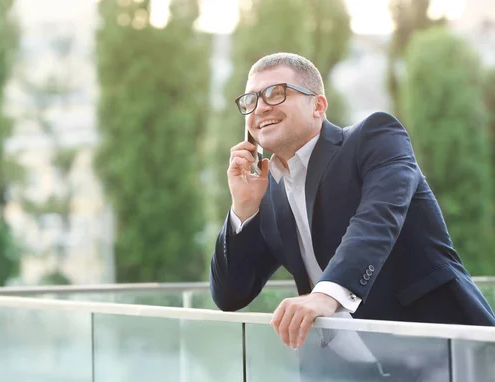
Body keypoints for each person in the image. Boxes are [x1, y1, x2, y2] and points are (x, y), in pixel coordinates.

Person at [209, 52, 495, 379]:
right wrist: (243, 208)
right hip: (346, 372)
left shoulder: (375, 137)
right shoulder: (269, 193)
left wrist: (325, 296)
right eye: (250, 99)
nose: (260, 107)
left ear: (318, 106)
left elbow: (377, 219)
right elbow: (230, 294)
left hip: (445, 358)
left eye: (276, 93)